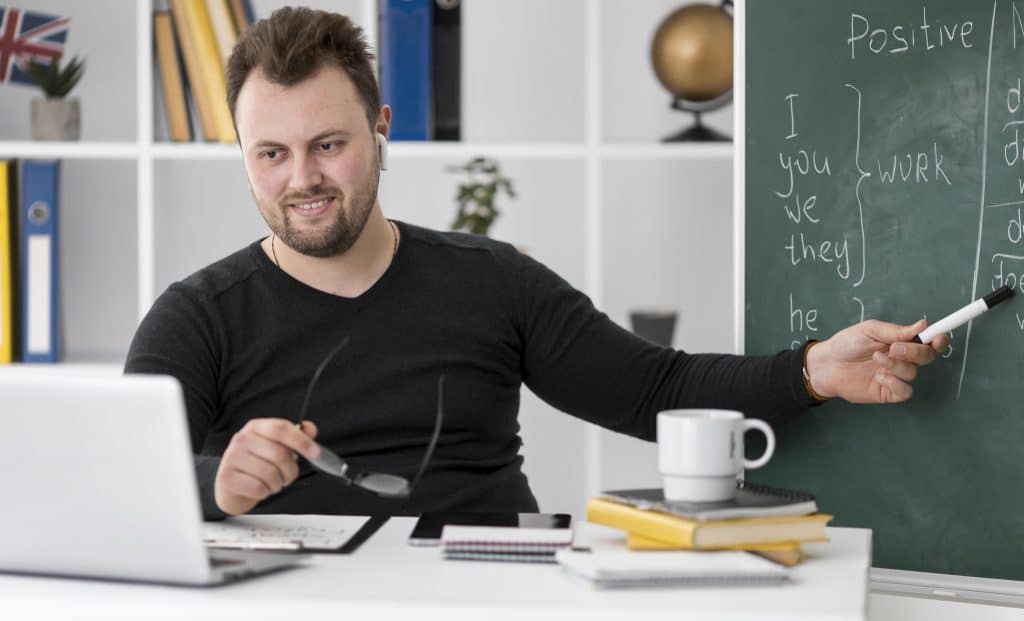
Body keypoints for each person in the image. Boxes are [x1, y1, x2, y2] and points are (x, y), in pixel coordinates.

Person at [124, 7, 948, 519]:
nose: (300, 177)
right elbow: (122, 489)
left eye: (327, 144)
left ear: (381, 126)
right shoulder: (196, 317)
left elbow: (653, 387)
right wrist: (216, 484)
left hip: (493, 597)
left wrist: (814, 370)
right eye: (271, 152)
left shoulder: (491, 282)